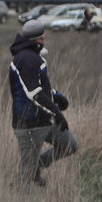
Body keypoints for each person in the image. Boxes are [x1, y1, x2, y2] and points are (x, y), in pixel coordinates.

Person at [8, 19, 78, 186]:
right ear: (37, 40)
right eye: (42, 37)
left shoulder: (34, 57)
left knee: (69, 145)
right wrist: (57, 112)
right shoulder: (26, 59)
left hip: (44, 120)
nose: (44, 40)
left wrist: (56, 96)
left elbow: (41, 88)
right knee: (27, 177)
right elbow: (33, 93)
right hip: (29, 124)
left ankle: (37, 166)